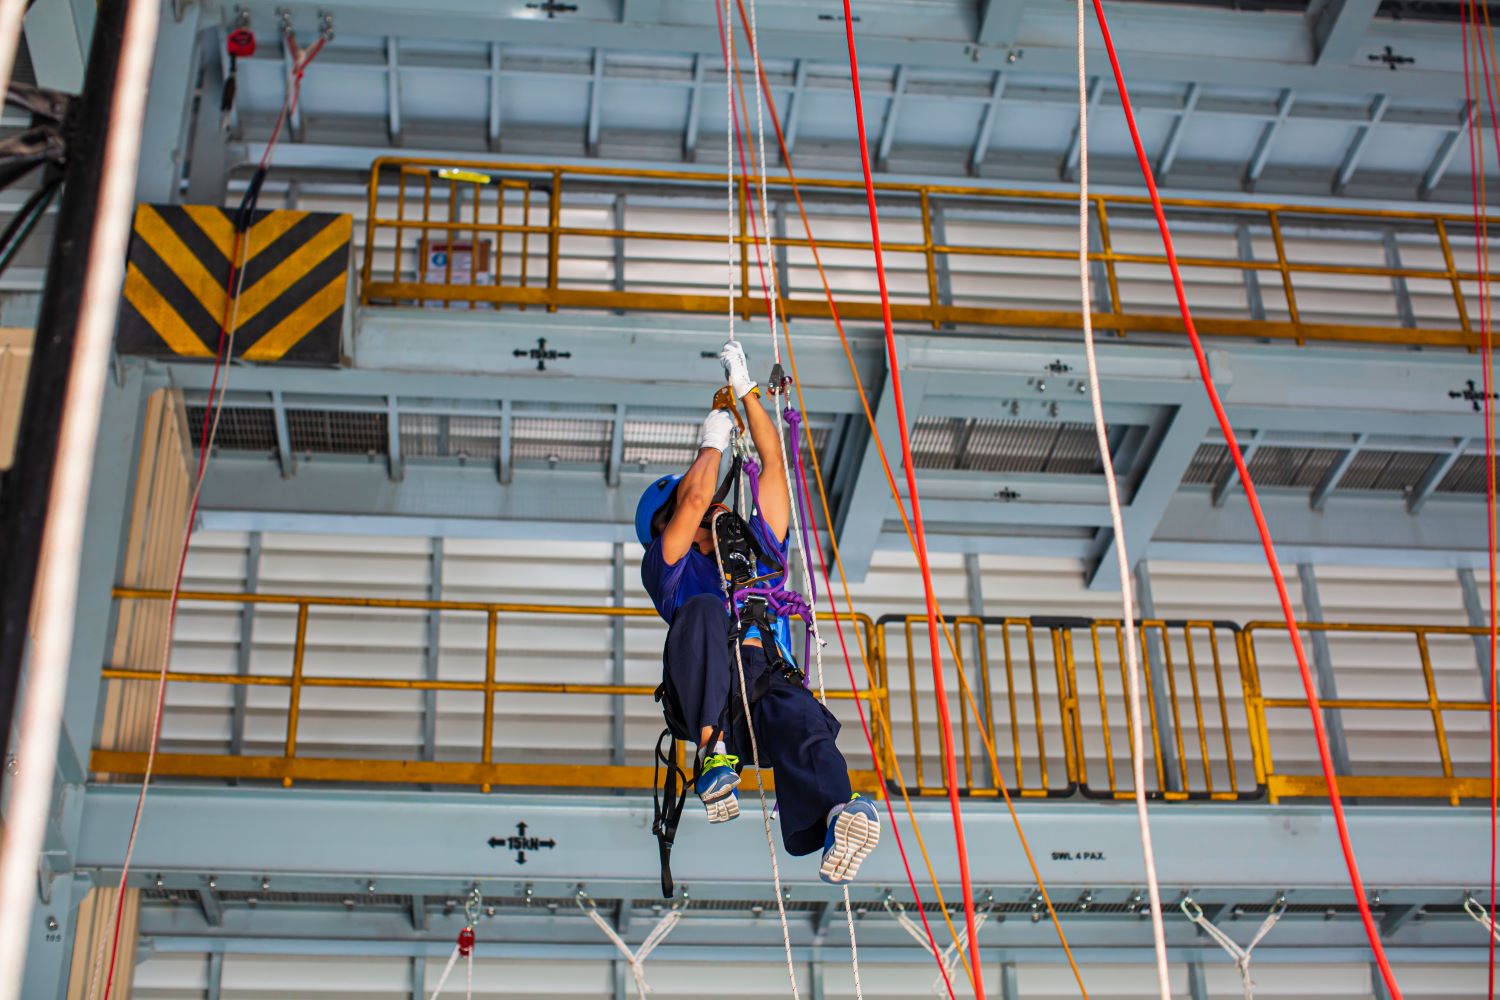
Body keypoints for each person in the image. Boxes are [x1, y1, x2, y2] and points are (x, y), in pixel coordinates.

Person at [635, 340, 879, 885]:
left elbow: (774, 464)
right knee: (702, 613)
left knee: (805, 722)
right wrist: (714, 434)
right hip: (712, 703)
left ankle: (835, 816)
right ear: (668, 522)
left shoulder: (759, 554)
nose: (712, 497)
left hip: (763, 685)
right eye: (693, 499)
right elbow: (694, 501)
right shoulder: (667, 570)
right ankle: (712, 755)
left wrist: (746, 392)